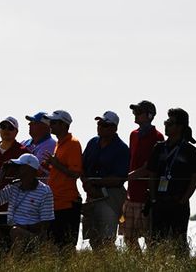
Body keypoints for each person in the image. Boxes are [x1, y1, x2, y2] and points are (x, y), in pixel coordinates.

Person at [147, 108, 196, 254]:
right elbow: (151, 173)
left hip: (178, 202)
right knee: (156, 242)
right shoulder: (158, 147)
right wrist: (153, 198)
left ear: (180, 126)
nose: (166, 125)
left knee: (179, 244)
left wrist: (184, 199)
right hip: (159, 202)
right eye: (166, 122)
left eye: (170, 123)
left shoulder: (189, 150)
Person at [81, 111, 130, 250]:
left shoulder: (122, 148)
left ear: (114, 128)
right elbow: (82, 167)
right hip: (91, 194)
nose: (100, 127)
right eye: (99, 124)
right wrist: (86, 184)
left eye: (105, 125)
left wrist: (95, 183)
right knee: (93, 237)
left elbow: (119, 179)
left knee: (107, 238)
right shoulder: (92, 142)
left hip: (111, 196)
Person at [123, 100, 164, 250]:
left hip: (147, 196)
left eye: (138, 112)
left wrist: (129, 176)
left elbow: (152, 167)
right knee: (129, 238)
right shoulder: (133, 135)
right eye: (135, 112)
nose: (135, 114)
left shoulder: (158, 137)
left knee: (150, 239)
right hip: (131, 194)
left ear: (150, 115)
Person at [43, 110, 83, 249]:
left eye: (53, 122)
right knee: (54, 243)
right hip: (56, 202)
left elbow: (75, 173)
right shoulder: (59, 143)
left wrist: (55, 164)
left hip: (67, 203)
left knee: (65, 245)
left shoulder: (73, 143)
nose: (50, 125)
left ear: (64, 124)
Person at [0, 153, 54, 249]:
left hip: (33, 235)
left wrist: (23, 227)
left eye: (20, 166)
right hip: (12, 229)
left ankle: (13, 263)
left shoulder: (44, 191)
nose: (17, 169)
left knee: (16, 232)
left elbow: (45, 223)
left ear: (29, 170)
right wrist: (2, 174)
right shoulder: (14, 186)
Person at [21, 112, 56, 180]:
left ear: (45, 126)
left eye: (34, 122)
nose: (29, 124)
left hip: (41, 189)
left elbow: (33, 169)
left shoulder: (51, 145)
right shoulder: (24, 142)